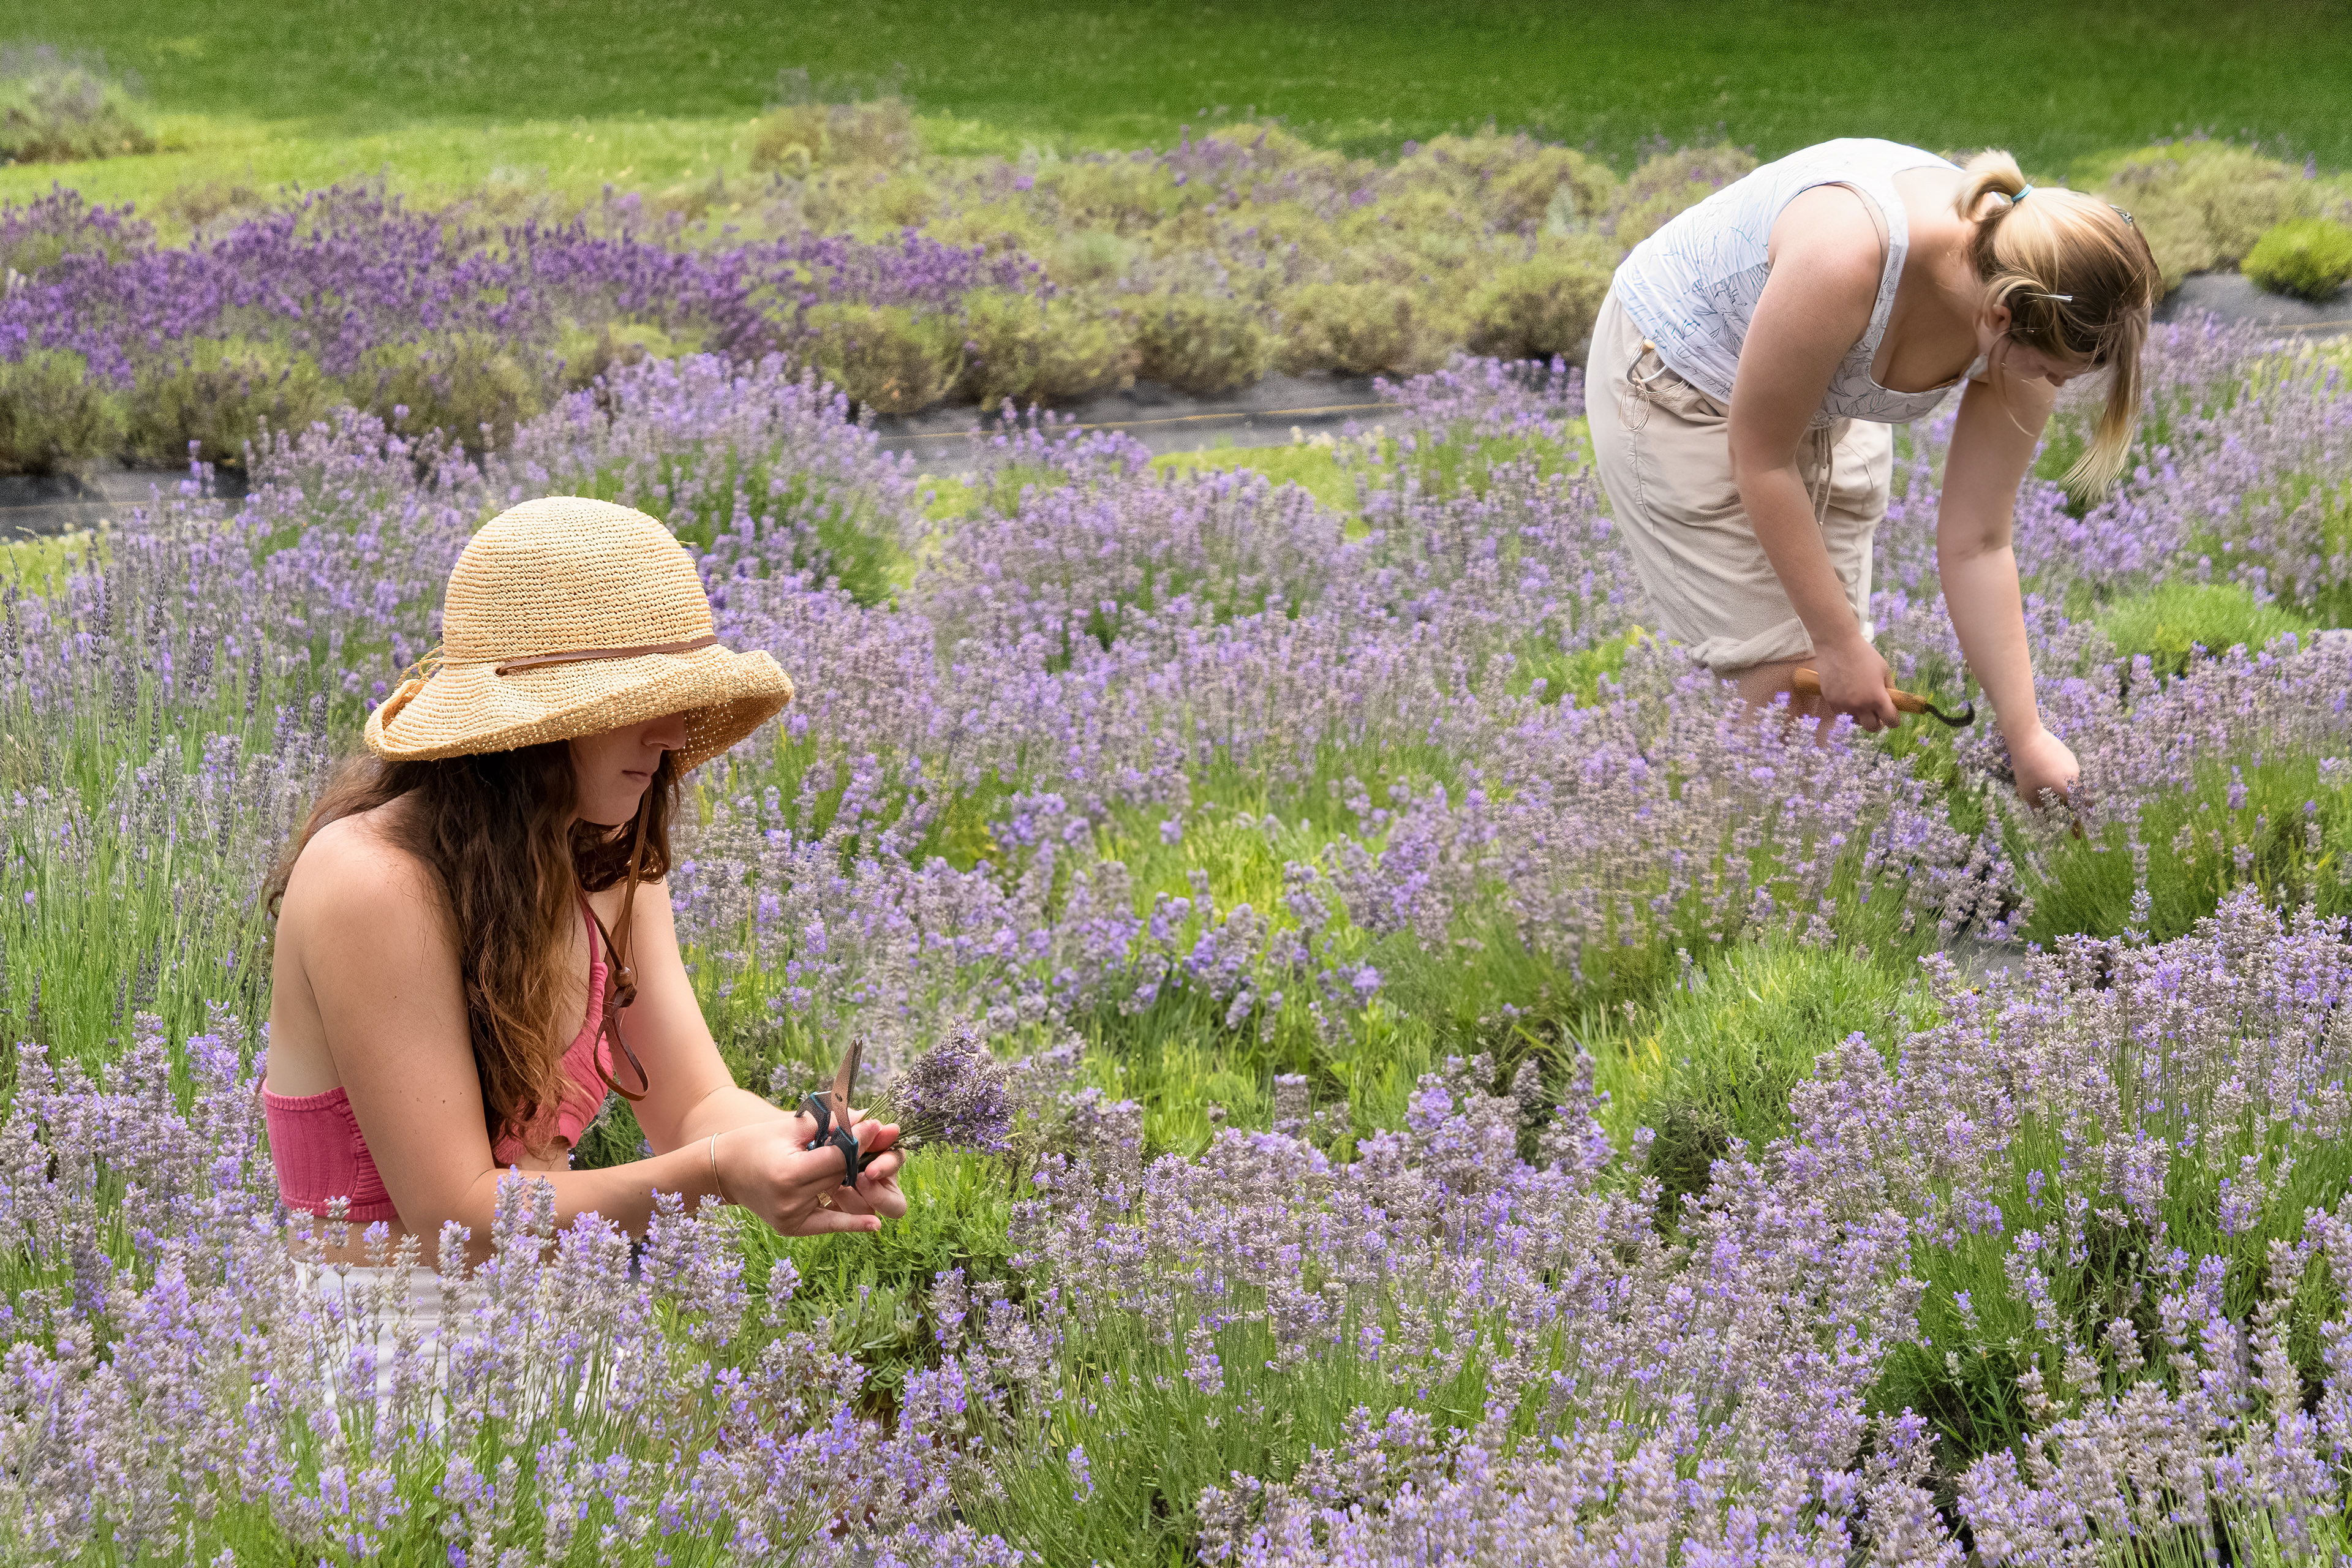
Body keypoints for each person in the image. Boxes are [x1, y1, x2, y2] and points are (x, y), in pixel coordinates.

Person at [263, 496, 906, 1286]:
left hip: (569, 1328)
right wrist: (713, 1172)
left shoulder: (607, 860)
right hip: (374, 1357)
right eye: (637, 706)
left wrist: (798, 1146)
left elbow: (694, 1105)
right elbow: (455, 1221)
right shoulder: (372, 881)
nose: (674, 734)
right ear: (537, 726)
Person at [1586, 138, 2162, 805]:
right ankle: (1716, 880)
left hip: (1821, 391)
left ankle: (1783, 869)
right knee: (1786, 690)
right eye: (2051, 371)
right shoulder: (1847, 257)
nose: (2051, 387)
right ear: (2001, 317)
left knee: (1828, 698)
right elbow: (1761, 457)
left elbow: (1979, 540)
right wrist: (1835, 642)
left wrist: (2027, 735)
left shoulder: (2020, 300)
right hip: (1679, 382)